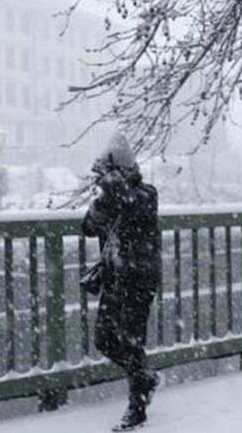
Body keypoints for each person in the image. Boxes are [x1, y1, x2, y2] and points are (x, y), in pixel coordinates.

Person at [82, 134, 161, 432]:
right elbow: (88, 227)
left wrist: (116, 189)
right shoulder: (109, 199)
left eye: (104, 172)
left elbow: (134, 205)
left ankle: (137, 408)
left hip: (139, 279)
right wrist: (104, 198)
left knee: (131, 339)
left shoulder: (146, 194)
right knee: (104, 339)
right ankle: (145, 379)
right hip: (115, 278)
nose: (100, 178)